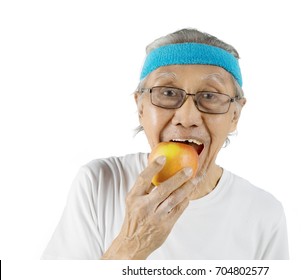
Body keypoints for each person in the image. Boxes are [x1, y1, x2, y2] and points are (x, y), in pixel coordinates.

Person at [42, 28, 289, 260]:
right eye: (168, 93)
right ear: (140, 107)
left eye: (210, 96)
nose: (187, 118)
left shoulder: (264, 214)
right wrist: (130, 246)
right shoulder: (99, 184)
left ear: (235, 115)